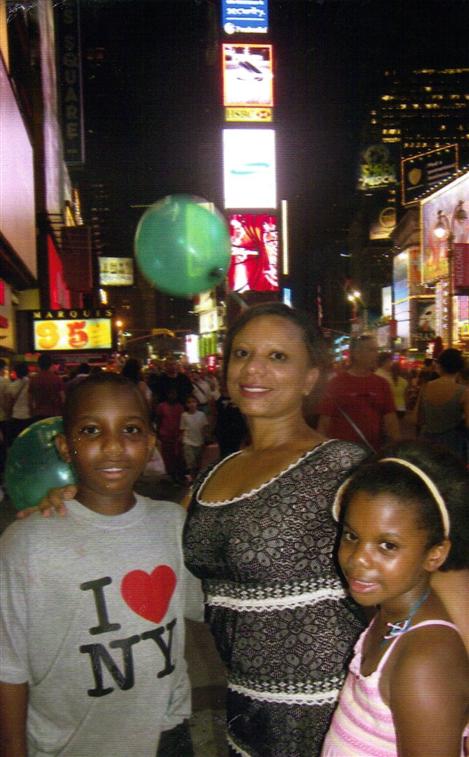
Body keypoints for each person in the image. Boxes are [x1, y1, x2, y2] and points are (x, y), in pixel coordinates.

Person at [183, 303, 368, 757]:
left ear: (310, 377)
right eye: (242, 353)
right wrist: (68, 506)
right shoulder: (214, 474)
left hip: (326, 715)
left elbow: (426, 558)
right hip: (245, 710)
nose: (253, 369)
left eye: (278, 357)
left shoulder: (340, 466)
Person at [0, 373, 203, 757]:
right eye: (91, 431)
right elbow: (8, 669)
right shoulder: (27, 543)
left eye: (130, 429)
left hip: (165, 734)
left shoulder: (171, 524)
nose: (113, 446)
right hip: (72, 745)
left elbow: (212, 606)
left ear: (150, 443)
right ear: (65, 446)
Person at [322, 440, 469, 756]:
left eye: (387, 545)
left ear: (435, 554)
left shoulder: (425, 662)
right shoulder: (390, 614)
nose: (358, 559)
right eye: (351, 536)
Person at [317, 336, 400, 452]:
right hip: (342, 456)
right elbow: (324, 423)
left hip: (372, 453)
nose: (376, 355)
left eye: (376, 350)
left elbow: (391, 422)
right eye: (371, 350)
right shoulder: (336, 383)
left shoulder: (382, 384)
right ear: (356, 354)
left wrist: (396, 450)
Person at [416, 347, 469, 460]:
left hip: (427, 442)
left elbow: (418, 419)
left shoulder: (425, 387)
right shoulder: (463, 392)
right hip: (453, 444)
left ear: (440, 366)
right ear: (460, 368)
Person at [156, 387, 184, 481]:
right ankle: (171, 475)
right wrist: (158, 433)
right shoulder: (162, 406)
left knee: (178, 455)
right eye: (170, 394)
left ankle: (178, 474)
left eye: (174, 394)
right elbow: (159, 420)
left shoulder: (179, 407)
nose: (172, 396)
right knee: (167, 456)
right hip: (165, 434)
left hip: (177, 434)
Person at [179, 395, 208, 483]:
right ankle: (191, 479)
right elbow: (183, 429)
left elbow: (204, 428)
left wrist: (204, 439)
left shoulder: (201, 415)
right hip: (188, 441)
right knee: (190, 463)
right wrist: (182, 440)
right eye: (189, 402)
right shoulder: (184, 415)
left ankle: (197, 479)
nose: (192, 404)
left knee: (198, 462)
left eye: (193, 402)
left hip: (199, 441)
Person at [28, 353, 64, 421]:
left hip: (39, 414)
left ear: (38, 365)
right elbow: (62, 398)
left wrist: (32, 412)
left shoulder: (34, 379)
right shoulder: (56, 378)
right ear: (51, 364)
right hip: (54, 413)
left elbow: (30, 399)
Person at [5, 362, 32, 443]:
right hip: (29, 415)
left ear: (16, 372)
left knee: (17, 440)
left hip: (16, 416)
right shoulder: (31, 383)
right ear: (27, 371)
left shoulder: (12, 385)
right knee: (28, 440)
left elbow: (9, 402)